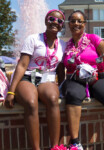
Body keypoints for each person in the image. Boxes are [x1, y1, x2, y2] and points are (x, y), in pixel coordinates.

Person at [61, 10, 104, 150]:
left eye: (79, 21)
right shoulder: (66, 45)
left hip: (98, 77)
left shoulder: (94, 39)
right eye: (73, 20)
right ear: (69, 24)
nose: (76, 23)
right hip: (75, 80)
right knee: (72, 95)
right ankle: (75, 143)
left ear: (84, 24)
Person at [4, 9, 66, 150]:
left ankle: (55, 147)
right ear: (46, 21)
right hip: (27, 76)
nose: (55, 22)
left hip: (47, 79)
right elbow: (22, 65)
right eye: (51, 19)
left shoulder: (63, 45)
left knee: (52, 99)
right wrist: (11, 91)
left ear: (62, 26)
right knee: (31, 103)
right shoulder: (33, 39)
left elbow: (61, 71)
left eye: (59, 21)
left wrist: (63, 89)